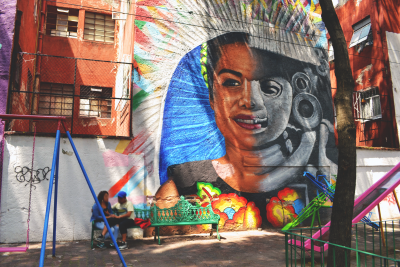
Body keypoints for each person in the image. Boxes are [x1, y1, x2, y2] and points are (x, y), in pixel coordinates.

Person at [157, 32, 338, 224]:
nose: (250, 101)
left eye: (270, 88)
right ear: (211, 95)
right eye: (232, 83)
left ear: (294, 96)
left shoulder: (315, 175)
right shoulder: (184, 180)